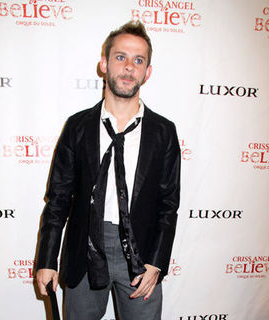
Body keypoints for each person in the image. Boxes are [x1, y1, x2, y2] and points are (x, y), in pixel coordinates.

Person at [36, 20, 181, 320]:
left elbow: (168, 206)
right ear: (104, 64)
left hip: (141, 258)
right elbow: (59, 199)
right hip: (84, 250)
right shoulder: (77, 127)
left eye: (138, 60)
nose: (129, 66)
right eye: (120, 57)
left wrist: (156, 263)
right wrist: (47, 259)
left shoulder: (164, 132)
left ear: (147, 72)